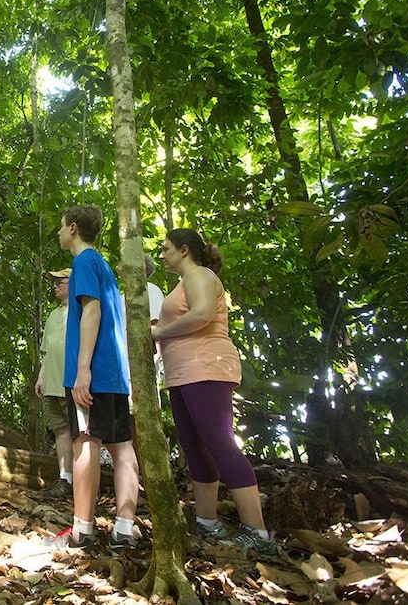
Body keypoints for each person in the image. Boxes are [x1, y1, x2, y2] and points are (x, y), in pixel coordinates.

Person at [150, 228, 278, 557]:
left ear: (185, 249)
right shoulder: (183, 281)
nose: (162, 254)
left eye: (166, 249)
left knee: (220, 444)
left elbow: (203, 314)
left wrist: (160, 331)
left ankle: (258, 533)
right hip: (183, 375)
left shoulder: (200, 275)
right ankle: (207, 523)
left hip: (206, 368)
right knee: (194, 449)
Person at [48, 205, 140, 551]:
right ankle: (123, 530)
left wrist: (82, 369)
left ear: (73, 228)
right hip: (114, 374)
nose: (58, 233)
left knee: (85, 443)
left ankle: (82, 531)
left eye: (61, 227)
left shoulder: (84, 262)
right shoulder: (103, 265)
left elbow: (92, 310)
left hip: (94, 373)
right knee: (122, 447)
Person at [33, 268, 73, 500]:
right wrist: (41, 377)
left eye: (61, 281)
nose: (55, 285)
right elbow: (46, 352)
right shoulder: (53, 316)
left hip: (73, 384)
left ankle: (86, 480)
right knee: (61, 431)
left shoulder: (83, 311)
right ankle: (65, 478)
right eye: (54, 282)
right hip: (52, 383)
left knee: (81, 434)